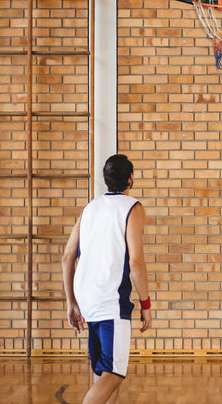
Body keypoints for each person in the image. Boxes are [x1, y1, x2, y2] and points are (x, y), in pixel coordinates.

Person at [62, 154, 152, 404]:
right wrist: (146, 304)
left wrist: (71, 302)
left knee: (103, 372)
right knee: (114, 374)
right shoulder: (132, 207)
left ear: (106, 179)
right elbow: (135, 262)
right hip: (110, 301)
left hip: (87, 299)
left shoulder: (89, 208)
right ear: (130, 178)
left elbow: (67, 256)